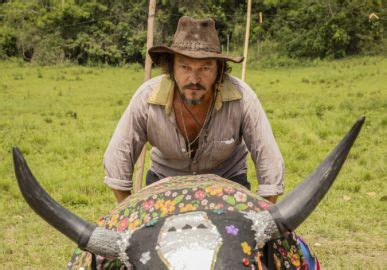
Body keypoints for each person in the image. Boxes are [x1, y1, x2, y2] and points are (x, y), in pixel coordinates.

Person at [103, 16, 284, 204]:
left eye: (205, 68)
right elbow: (118, 155)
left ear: (220, 70)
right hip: (164, 184)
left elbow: (269, 160)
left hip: (227, 185)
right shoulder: (147, 98)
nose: (194, 79)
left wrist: (264, 219)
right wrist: (128, 210)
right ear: (171, 68)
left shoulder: (243, 98)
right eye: (184, 67)